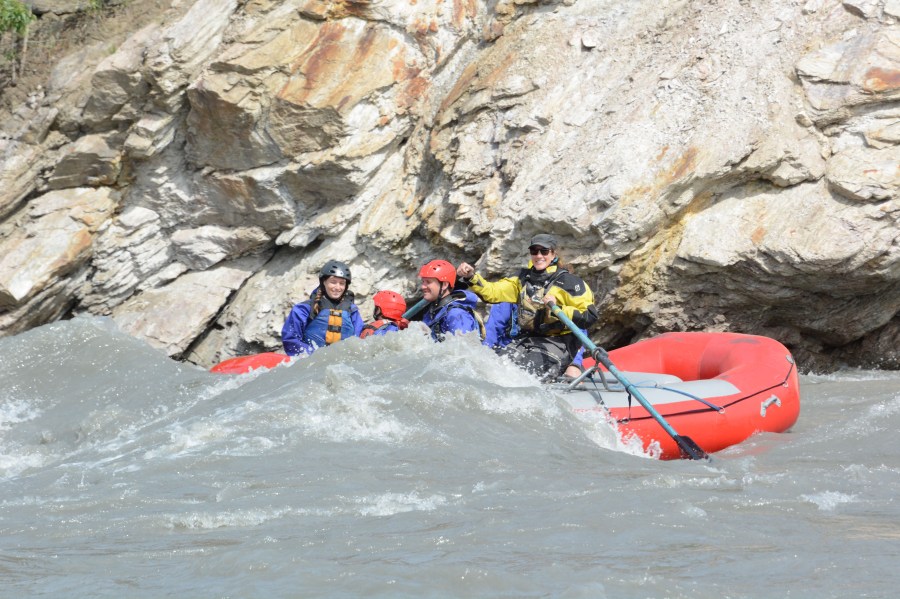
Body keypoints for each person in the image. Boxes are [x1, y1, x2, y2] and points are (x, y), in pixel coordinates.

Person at [457, 234, 598, 380]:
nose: (539, 255)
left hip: (560, 343)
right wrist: (471, 277)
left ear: (553, 254)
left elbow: (589, 316)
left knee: (523, 374)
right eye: (534, 251)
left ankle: (573, 368)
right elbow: (492, 292)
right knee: (493, 368)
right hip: (528, 340)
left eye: (544, 251)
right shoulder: (521, 279)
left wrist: (557, 309)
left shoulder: (571, 283)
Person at [281, 260, 365, 356]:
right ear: (323, 282)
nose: (338, 287)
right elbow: (291, 339)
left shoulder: (352, 310)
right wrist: (315, 356)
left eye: (342, 283)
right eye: (333, 282)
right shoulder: (303, 309)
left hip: (343, 360)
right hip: (312, 360)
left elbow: (359, 339)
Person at [418, 259, 483, 341]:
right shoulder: (433, 309)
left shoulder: (457, 315)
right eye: (423, 282)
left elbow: (463, 346)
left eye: (428, 282)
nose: (423, 286)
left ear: (444, 285)